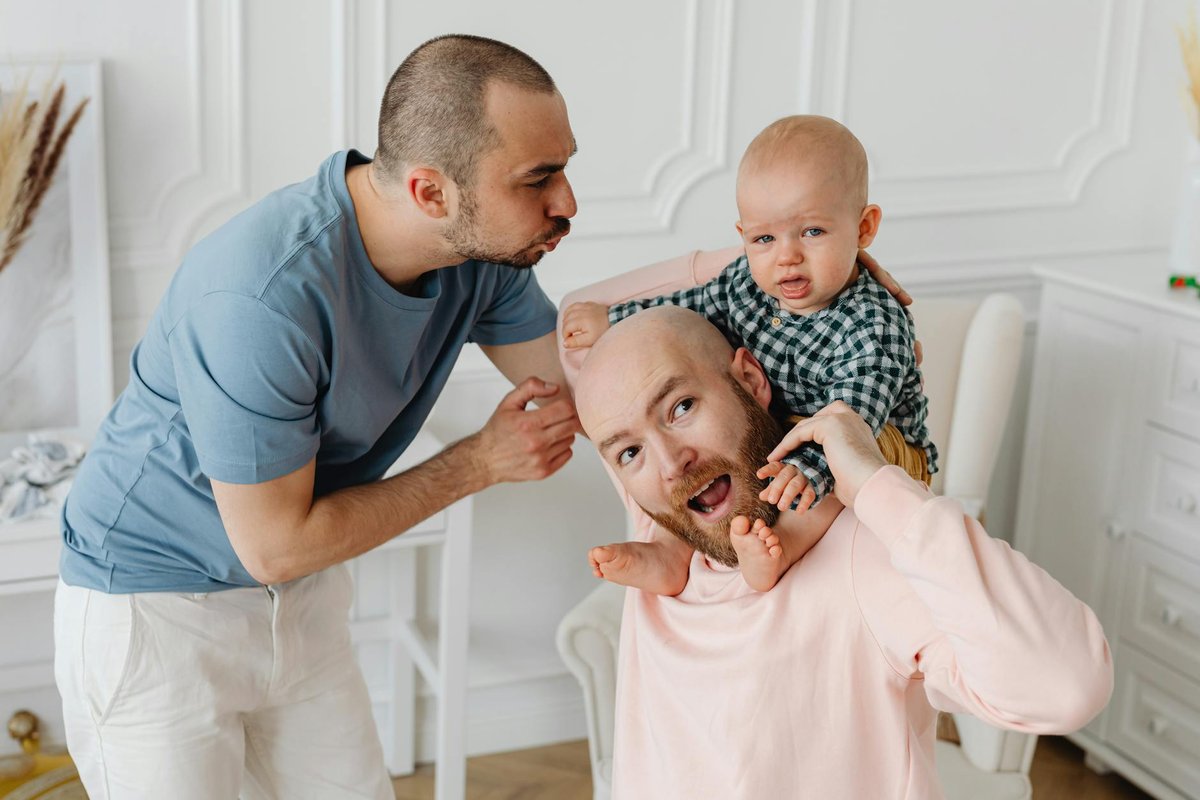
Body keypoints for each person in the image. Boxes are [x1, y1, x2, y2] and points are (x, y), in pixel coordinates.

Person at [53, 35, 581, 799]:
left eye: (564, 167)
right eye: (539, 179)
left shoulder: (482, 256)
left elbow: (579, 387)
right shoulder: (260, 297)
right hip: (152, 611)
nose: (566, 203)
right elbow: (275, 543)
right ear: (432, 193)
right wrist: (478, 462)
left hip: (299, 596)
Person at [569, 305, 1113, 799]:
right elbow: (573, 332)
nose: (670, 462)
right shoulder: (662, 535)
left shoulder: (864, 555)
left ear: (751, 380)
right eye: (630, 452)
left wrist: (874, 482)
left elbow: (1068, 687)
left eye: (681, 406)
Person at [562, 115, 937, 593]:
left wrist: (812, 468)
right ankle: (671, 554)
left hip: (875, 442)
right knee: (702, 468)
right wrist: (613, 319)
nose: (787, 257)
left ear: (863, 228)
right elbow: (689, 308)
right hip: (790, 428)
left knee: (839, 470)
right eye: (765, 238)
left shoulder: (873, 324)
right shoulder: (746, 283)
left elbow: (852, 420)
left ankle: (778, 552)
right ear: (743, 237)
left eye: (813, 232)